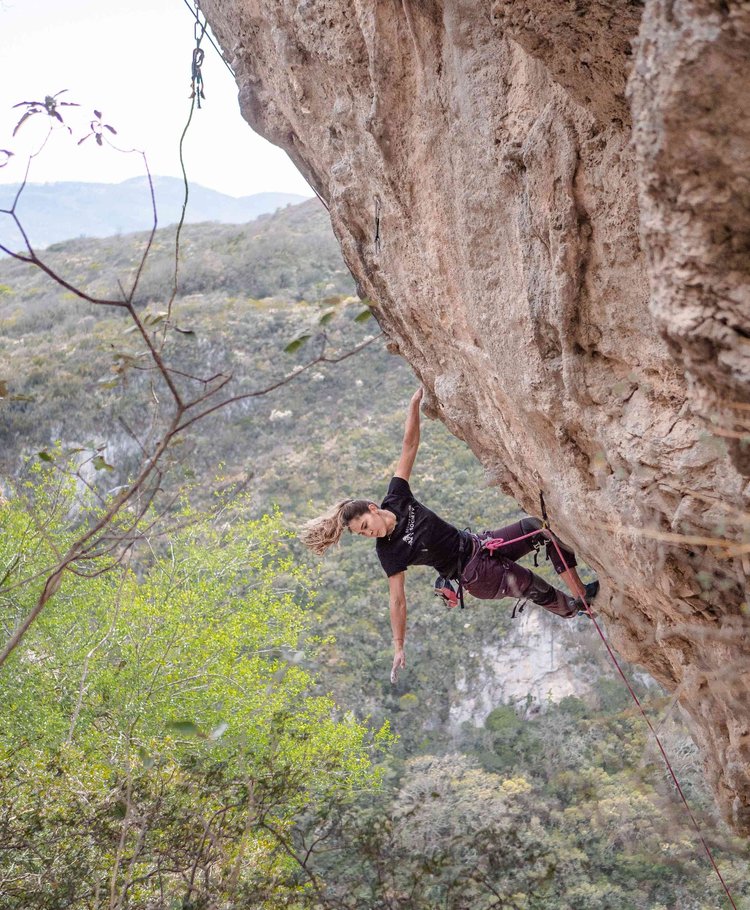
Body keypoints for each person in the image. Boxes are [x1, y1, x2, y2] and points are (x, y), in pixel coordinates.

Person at [301, 388, 598, 683]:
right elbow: (397, 601)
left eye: (365, 526)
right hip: (476, 575)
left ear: (372, 508)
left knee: (538, 529)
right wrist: (399, 645)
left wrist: (413, 404)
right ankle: (574, 609)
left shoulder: (397, 498)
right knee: (535, 586)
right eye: (362, 535)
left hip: (480, 544)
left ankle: (580, 593)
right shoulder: (388, 551)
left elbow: (409, 446)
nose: (369, 533)